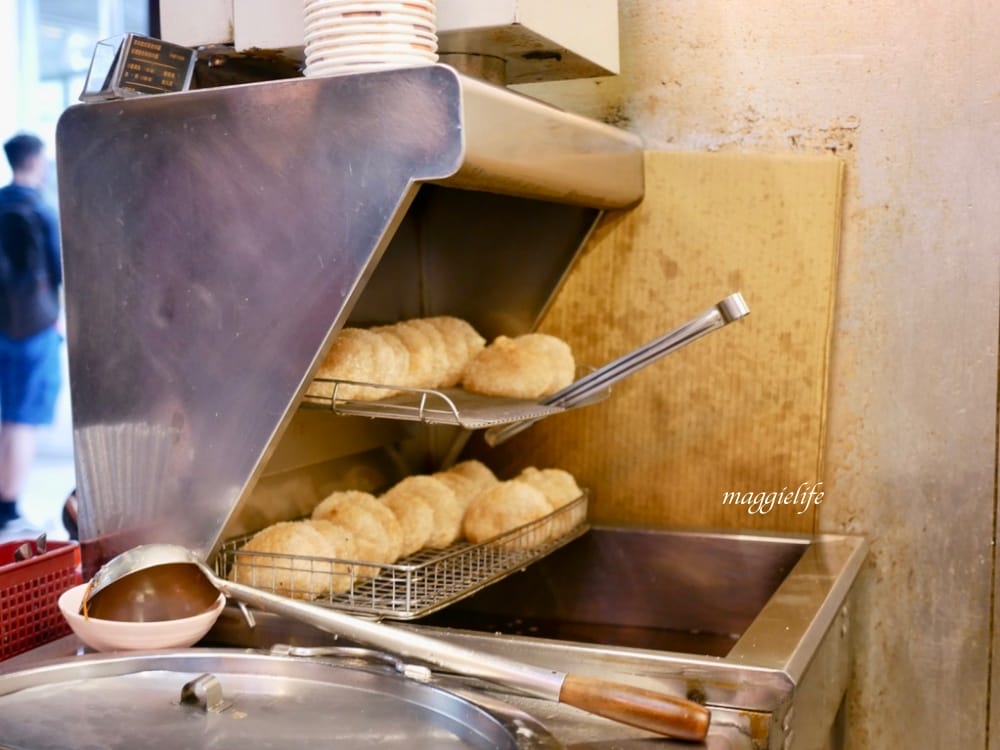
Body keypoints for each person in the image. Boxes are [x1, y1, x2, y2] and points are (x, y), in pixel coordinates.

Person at [0, 133, 62, 533]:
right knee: (24, 419)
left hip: (2, 326)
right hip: (35, 328)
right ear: (36, 161)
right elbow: (60, 268)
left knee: (7, 416)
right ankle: (9, 510)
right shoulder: (41, 208)